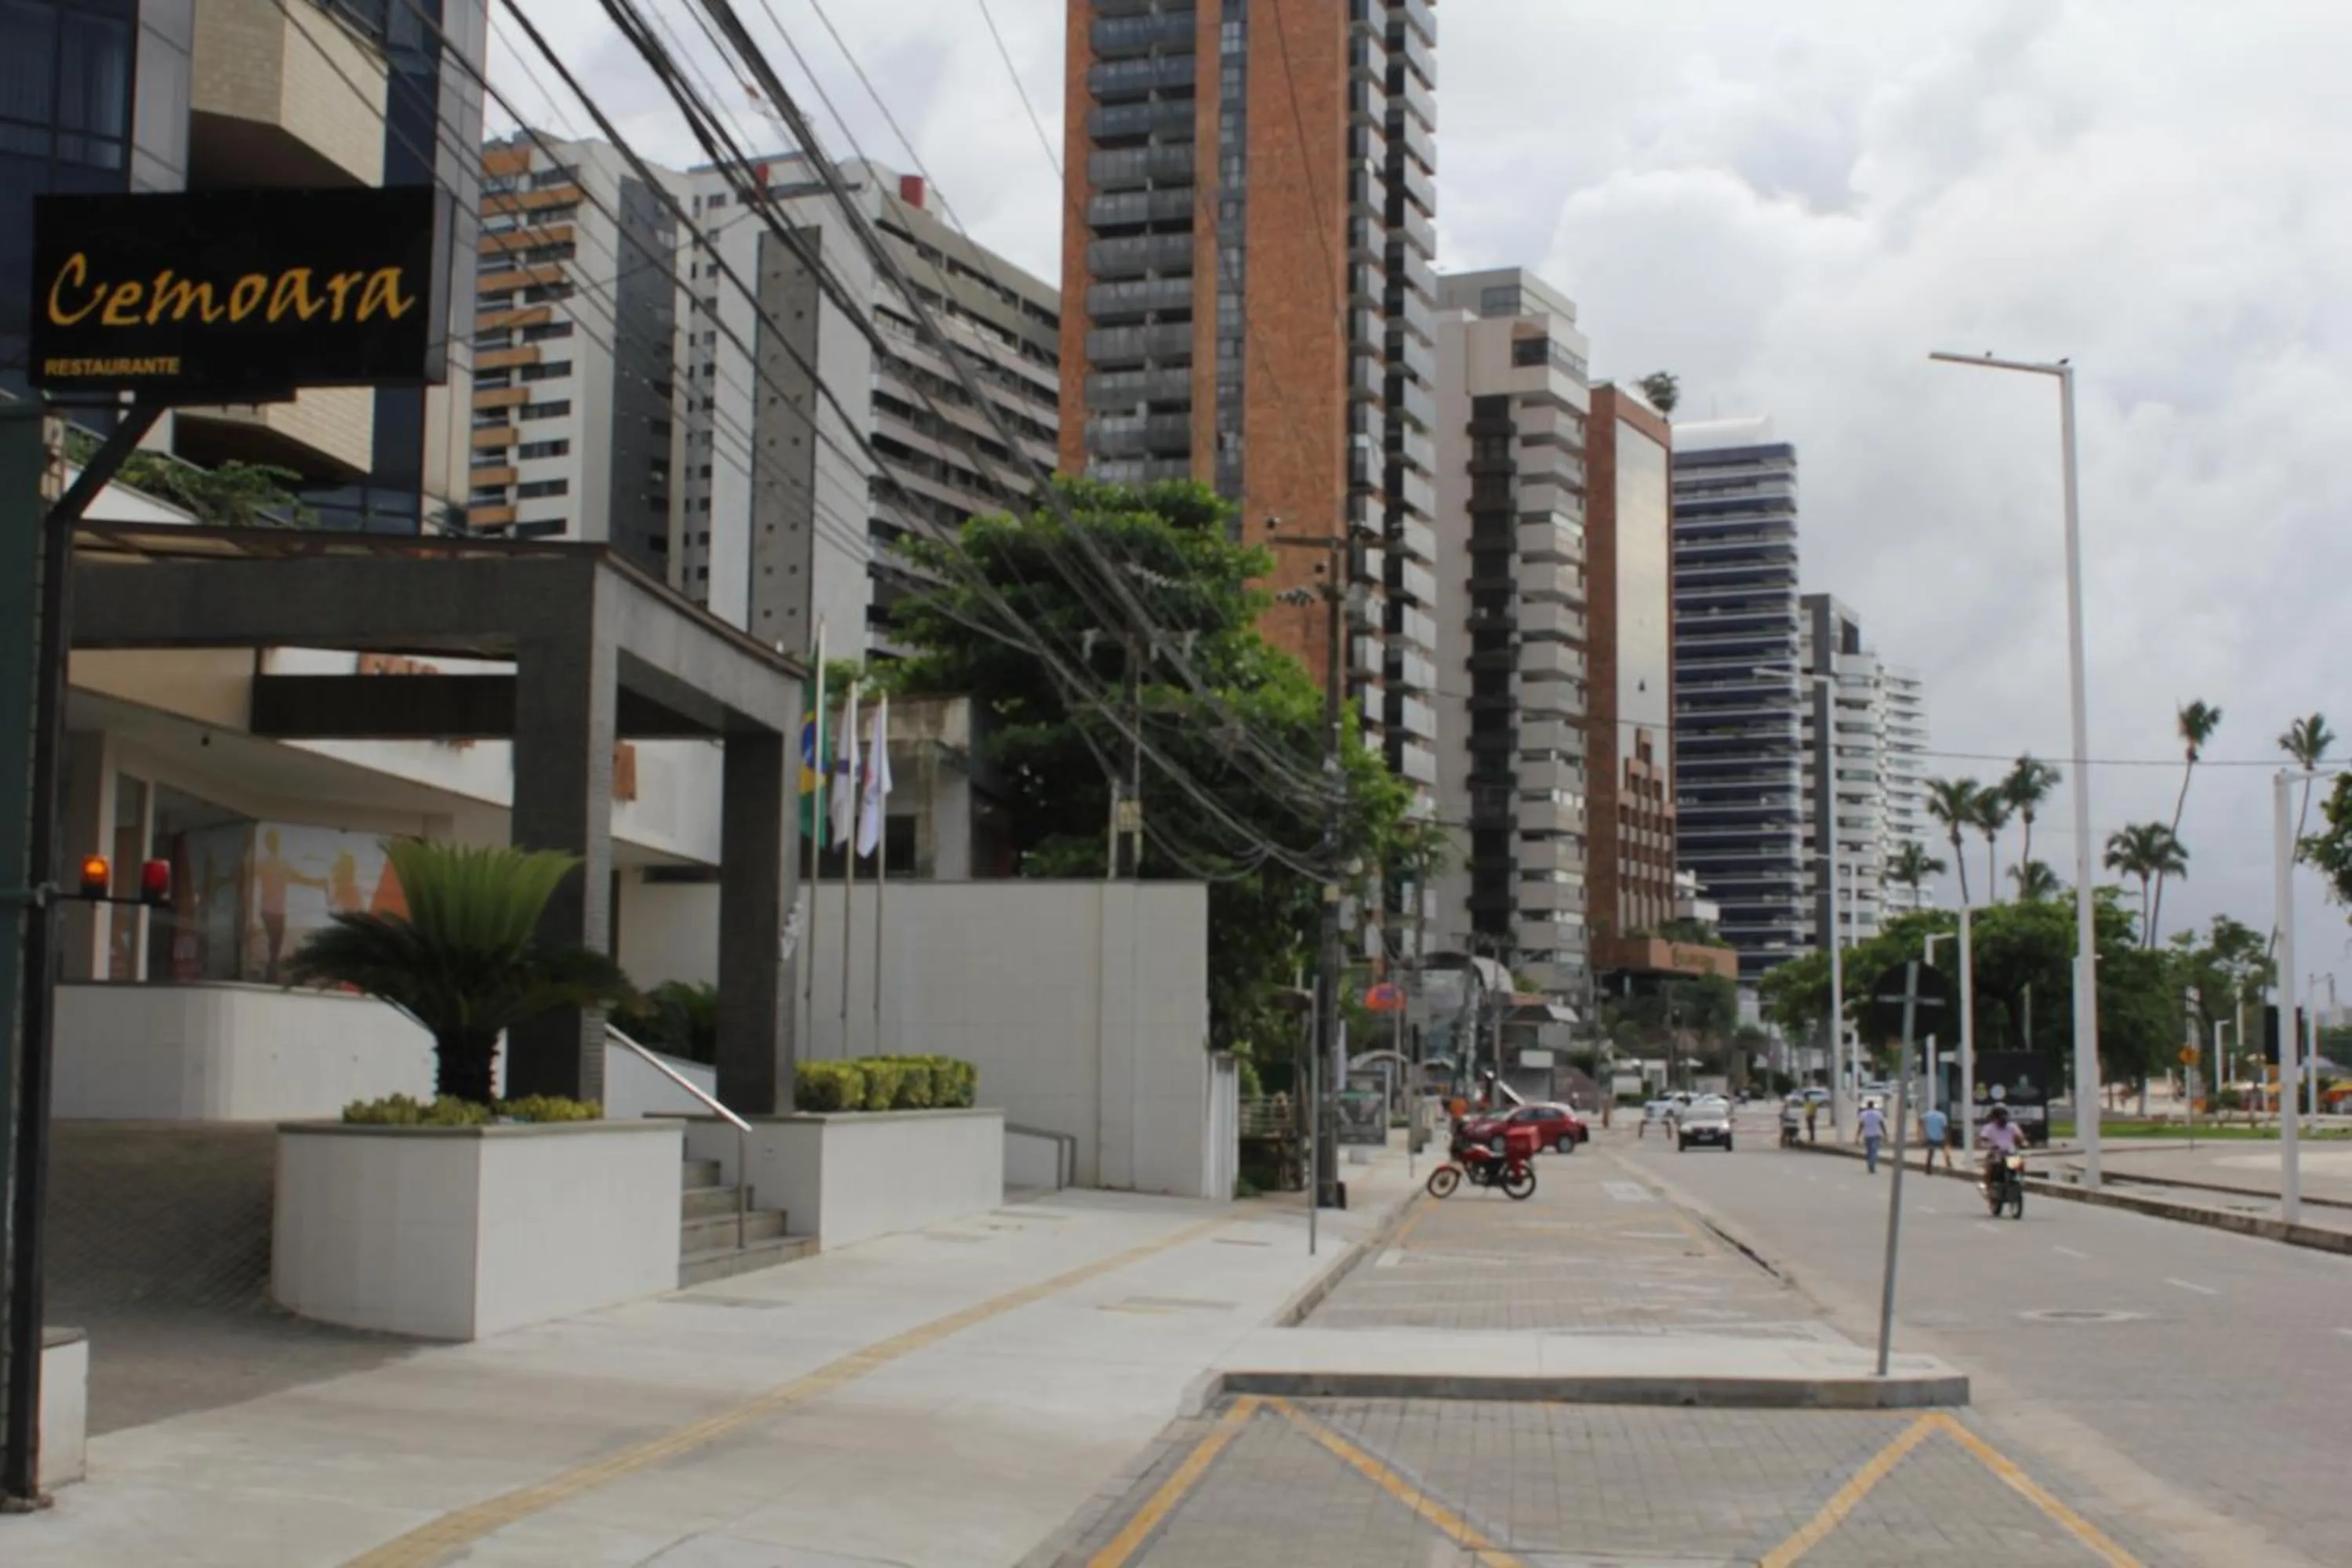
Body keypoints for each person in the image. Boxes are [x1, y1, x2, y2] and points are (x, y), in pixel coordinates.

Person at [1980, 1103, 2023, 1181]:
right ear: (1994, 1117)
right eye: (1998, 1115)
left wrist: (2023, 1142)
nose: (2001, 1117)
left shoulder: (2012, 1126)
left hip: (2010, 1152)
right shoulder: (1988, 1128)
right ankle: (1988, 1185)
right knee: (1990, 1168)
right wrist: (1988, 1145)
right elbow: (1983, 1139)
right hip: (1995, 1153)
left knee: (2018, 1163)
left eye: (2003, 1114)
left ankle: (2017, 1180)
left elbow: (2019, 1136)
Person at [1858, 1099, 1887, 1174]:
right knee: (1874, 1151)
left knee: (1869, 1151)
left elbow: (1861, 1125)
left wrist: (1858, 1135)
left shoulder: (1863, 1114)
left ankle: (1870, 1164)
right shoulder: (1878, 1113)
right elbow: (1882, 1124)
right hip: (1876, 1135)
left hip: (1867, 1135)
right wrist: (1885, 1134)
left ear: (1867, 1106)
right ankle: (1872, 1165)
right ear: (1873, 1106)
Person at [1920, 1105, 1949, 1172]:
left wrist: (1923, 1131)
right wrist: (1946, 1137)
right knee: (1945, 1149)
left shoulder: (1928, 1114)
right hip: (1940, 1137)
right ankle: (1948, 1163)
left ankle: (1928, 1167)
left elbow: (1921, 1119)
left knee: (1930, 1153)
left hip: (1930, 1137)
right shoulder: (1942, 1116)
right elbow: (1945, 1127)